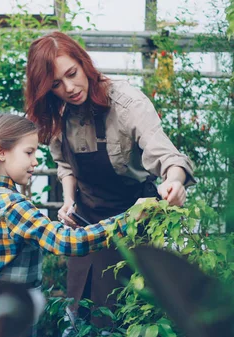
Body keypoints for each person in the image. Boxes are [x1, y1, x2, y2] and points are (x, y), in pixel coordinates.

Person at [24, 31, 196, 328]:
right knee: (82, 314)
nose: (69, 88)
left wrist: (175, 182)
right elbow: (65, 163)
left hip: (134, 220)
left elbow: (170, 158)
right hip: (88, 225)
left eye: (72, 74)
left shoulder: (127, 103)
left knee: (132, 315)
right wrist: (68, 201)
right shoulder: (57, 111)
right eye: (56, 85)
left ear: (83, 61)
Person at [0, 113, 132, 337]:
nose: (35, 161)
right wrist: (127, 219)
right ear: (1, 152)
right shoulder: (13, 205)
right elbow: (68, 243)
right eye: (29, 152)